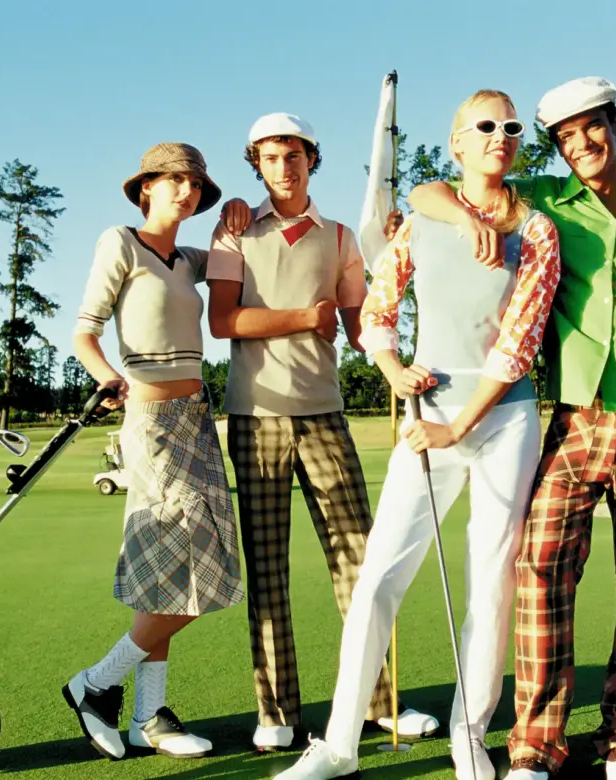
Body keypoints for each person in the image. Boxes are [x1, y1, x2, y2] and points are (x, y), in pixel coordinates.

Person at [409, 77, 616, 780]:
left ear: (615, 127)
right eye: (565, 136)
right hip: (575, 419)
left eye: (592, 128)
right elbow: (429, 191)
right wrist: (465, 219)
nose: (582, 144)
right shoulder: (538, 203)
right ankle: (535, 747)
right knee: (539, 573)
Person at [275, 89, 561, 780]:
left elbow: (519, 344)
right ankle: (339, 746)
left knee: (490, 582)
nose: (500, 135)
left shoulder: (538, 231)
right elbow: (380, 304)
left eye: (511, 127)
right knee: (379, 576)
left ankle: (470, 737)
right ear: (457, 142)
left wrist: (456, 425)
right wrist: (392, 368)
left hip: (502, 419)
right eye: (484, 125)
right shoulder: (424, 218)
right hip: (425, 414)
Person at [207, 113, 438, 753]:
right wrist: (306, 317)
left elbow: (363, 328)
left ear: (312, 159)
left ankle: (379, 703)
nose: (284, 167)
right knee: (268, 571)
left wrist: (393, 271)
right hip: (255, 416)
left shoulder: (339, 237)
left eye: (295, 155)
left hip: (324, 414)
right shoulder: (233, 232)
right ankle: (276, 712)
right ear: (257, 163)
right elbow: (224, 321)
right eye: (271, 157)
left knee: (360, 562)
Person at [63, 142, 244, 761]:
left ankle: (148, 717)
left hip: (197, 419)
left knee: (174, 570)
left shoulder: (190, 259)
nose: (185, 192)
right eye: (173, 181)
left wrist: (239, 214)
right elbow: (84, 331)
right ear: (146, 188)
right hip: (151, 423)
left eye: (195, 185)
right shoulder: (120, 242)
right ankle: (96, 682)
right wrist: (107, 377)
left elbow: (239, 257)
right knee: (192, 560)